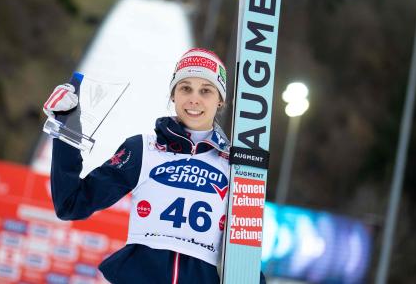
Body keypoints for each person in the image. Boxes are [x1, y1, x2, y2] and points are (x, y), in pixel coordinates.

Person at [43, 48, 266, 284]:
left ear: (220, 100)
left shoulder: (236, 166)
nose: (194, 98)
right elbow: (71, 204)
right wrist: (67, 125)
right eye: (185, 88)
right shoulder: (143, 149)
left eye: (206, 90)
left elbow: (245, 253)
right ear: (173, 95)